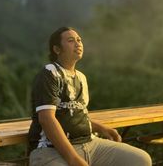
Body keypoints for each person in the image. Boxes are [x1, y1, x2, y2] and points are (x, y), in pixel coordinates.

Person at [28, 26, 152, 166]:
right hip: (51, 150)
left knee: (141, 160)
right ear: (57, 49)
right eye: (71, 40)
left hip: (90, 144)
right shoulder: (50, 73)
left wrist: (102, 129)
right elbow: (46, 119)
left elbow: (76, 115)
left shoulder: (81, 77)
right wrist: (74, 160)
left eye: (79, 40)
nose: (78, 43)